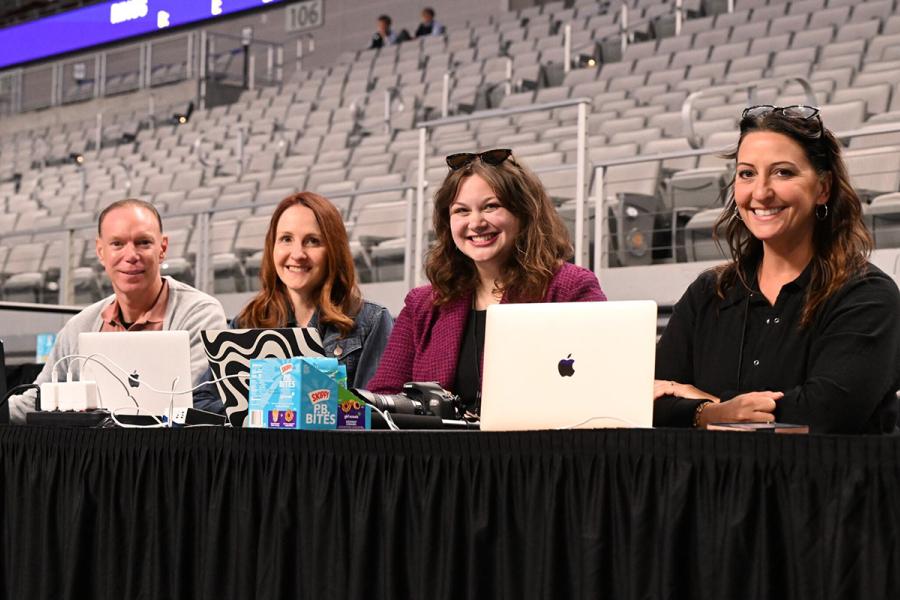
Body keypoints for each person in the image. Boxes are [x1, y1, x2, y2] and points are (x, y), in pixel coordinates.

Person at [654, 105, 900, 433]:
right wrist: (713, 413)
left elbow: (825, 413)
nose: (760, 193)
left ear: (823, 188)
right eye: (747, 173)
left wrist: (710, 407)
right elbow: (650, 397)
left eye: (783, 172)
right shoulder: (709, 293)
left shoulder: (867, 295)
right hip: (715, 484)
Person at [367, 149, 606, 414]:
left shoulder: (569, 288)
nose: (476, 223)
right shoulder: (421, 304)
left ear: (524, 213)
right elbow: (384, 397)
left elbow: (606, 380)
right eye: (461, 211)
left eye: (491, 206)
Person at [8, 199, 227, 423]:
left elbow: (191, 403)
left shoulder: (200, 314)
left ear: (162, 248)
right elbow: (36, 400)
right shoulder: (80, 325)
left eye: (143, 242)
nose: (131, 255)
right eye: (117, 244)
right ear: (101, 251)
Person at [230, 192, 393, 389]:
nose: (297, 254)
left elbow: (377, 411)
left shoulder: (370, 321)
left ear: (334, 250)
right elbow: (205, 399)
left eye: (312, 241)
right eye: (286, 239)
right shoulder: (247, 322)